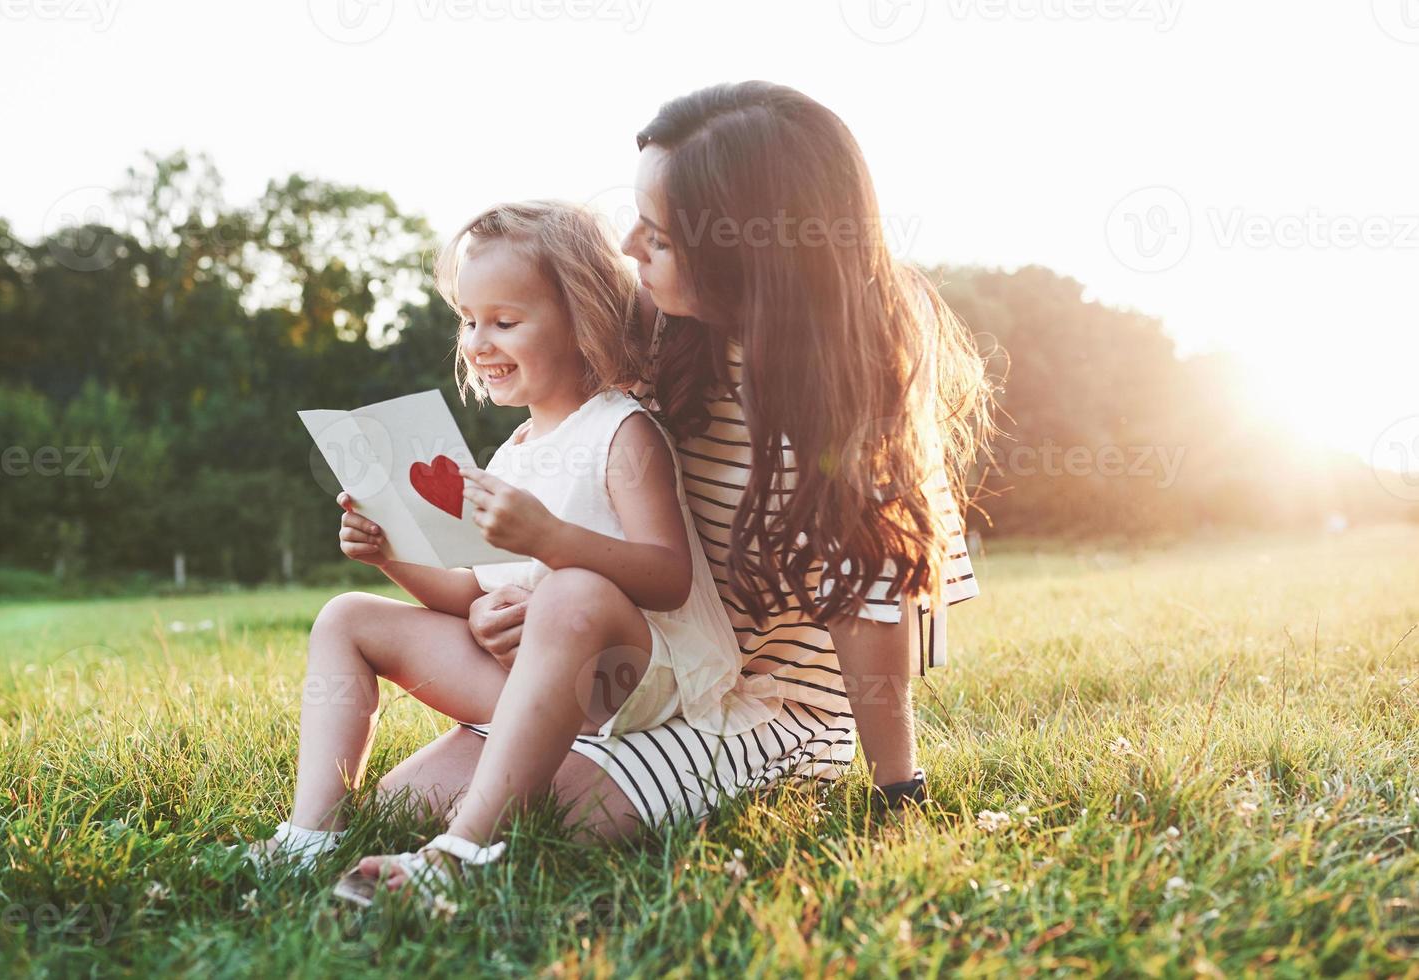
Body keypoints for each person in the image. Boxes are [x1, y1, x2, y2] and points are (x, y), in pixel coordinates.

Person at [344, 81, 992, 902]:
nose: (627, 243)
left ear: (748, 251)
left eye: (657, 232)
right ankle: (489, 801)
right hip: (646, 678)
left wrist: (898, 788)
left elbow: (872, 620)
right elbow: (581, 511)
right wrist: (501, 599)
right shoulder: (663, 347)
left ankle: (463, 854)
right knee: (404, 803)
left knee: (543, 813)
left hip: (768, 710)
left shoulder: (850, 408)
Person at [238, 200, 775, 906]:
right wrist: (390, 558)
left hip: (633, 683)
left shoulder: (621, 432)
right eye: (468, 320)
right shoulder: (511, 453)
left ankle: (459, 851)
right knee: (346, 616)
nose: (477, 341)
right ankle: (311, 835)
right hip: (532, 681)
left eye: (505, 321)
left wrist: (550, 544)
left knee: (571, 593)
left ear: (580, 318)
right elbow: (469, 593)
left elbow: (668, 577)